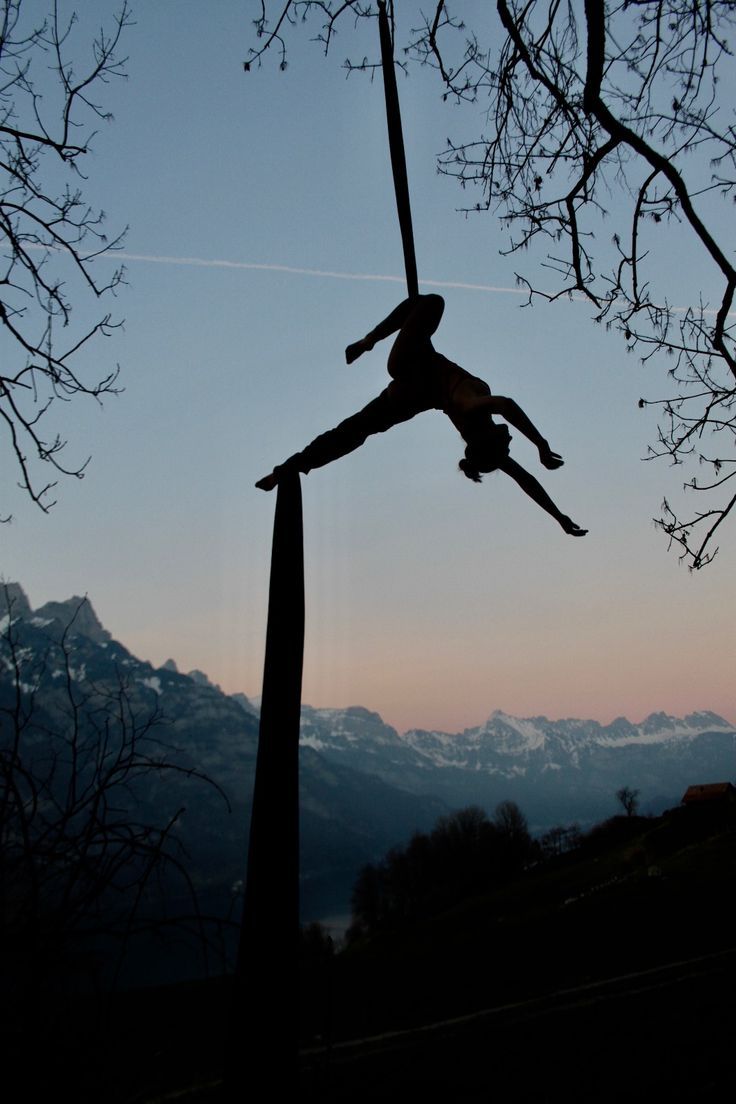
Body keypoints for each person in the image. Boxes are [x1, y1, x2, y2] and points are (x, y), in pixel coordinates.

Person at [256, 294, 587, 537]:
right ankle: (287, 469)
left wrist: (541, 444)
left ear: (490, 441)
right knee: (353, 431)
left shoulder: (473, 407)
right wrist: (558, 517)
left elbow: (508, 405)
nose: (511, 442)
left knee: (431, 302)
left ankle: (368, 341)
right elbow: (525, 481)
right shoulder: (478, 433)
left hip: (413, 367)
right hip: (415, 393)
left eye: (508, 447)